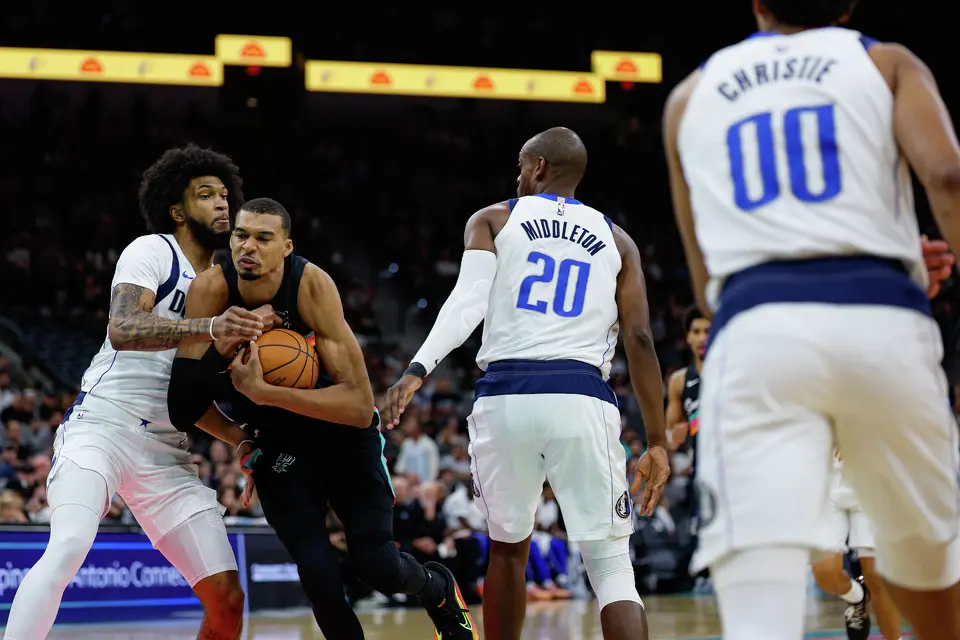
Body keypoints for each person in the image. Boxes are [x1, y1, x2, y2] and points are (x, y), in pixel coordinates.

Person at [662, 0, 960, 638]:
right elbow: (946, 174)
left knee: (760, 586)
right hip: (882, 323)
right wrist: (897, 262)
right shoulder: (885, 62)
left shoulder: (688, 96)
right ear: (848, 4)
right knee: (927, 556)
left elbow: (704, 268)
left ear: (757, 3)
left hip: (755, 329)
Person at [382, 127, 671, 640]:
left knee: (509, 551)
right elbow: (641, 339)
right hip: (582, 398)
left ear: (538, 167)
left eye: (521, 166)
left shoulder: (494, 218)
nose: (517, 177)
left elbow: (468, 301)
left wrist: (417, 369)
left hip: (506, 398)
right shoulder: (618, 239)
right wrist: (656, 442)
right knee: (609, 566)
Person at [167, 197, 479, 640]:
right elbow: (181, 407)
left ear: (287, 247)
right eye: (240, 235)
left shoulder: (311, 285)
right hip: (277, 445)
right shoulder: (212, 292)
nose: (247, 247)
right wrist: (225, 346)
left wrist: (264, 391)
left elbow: (356, 406)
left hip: (343, 439)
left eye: (263, 238)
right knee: (319, 577)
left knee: (379, 568)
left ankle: (438, 587)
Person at [3, 146, 269, 640]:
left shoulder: (227, 286)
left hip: (167, 451)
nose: (221, 203)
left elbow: (188, 397)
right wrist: (211, 326)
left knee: (228, 602)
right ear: (176, 209)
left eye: (224, 194)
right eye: (205, 194)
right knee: (69, 546)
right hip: (102, 428)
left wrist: (241, 439)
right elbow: (125, 327)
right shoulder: (153, 250)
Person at [811, 452, 903, 640]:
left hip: (871, 480)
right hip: (824, 482)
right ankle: (856, 597)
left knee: (876, 574)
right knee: (825, 574)